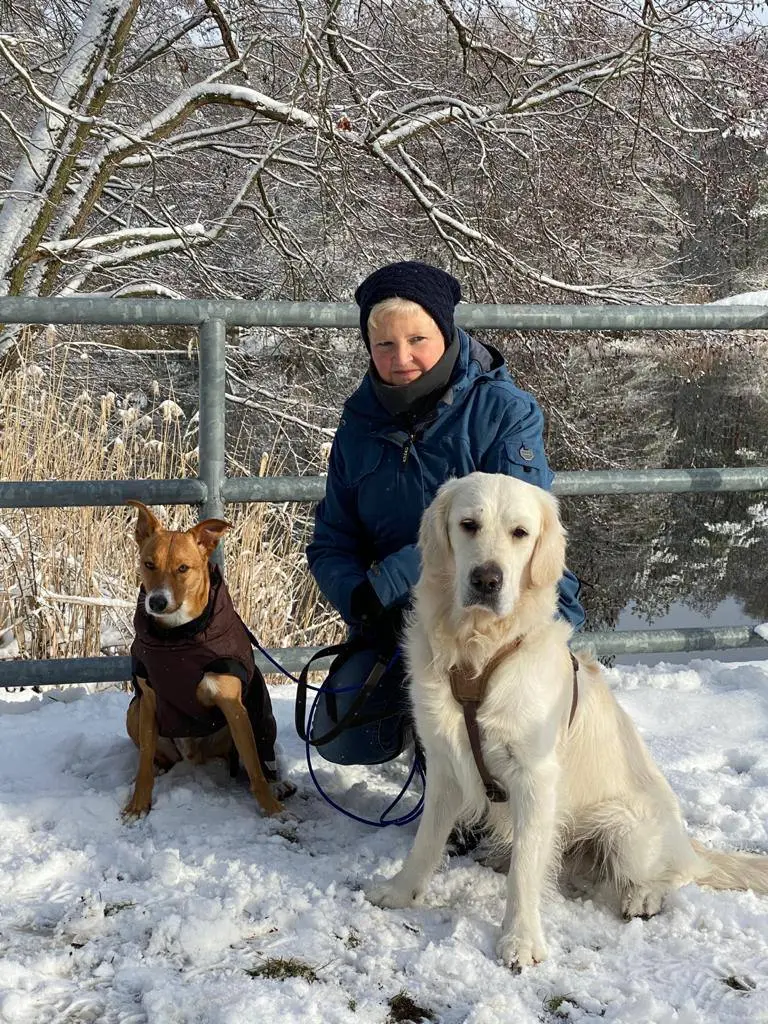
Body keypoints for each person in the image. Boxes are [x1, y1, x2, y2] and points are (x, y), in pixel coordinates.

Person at [305, 260, 584, 766]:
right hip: (406, 614)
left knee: (485, 771)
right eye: (385, 344)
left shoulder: (503, 411)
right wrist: (359, 597)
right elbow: (331, 540)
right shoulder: (357, 424)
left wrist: (389, 578)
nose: (402, 358)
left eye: (418, 339)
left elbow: (515, 530)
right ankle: (428, 735)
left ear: (447, 330)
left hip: (500, 603)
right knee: (346, 735)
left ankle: (476, 759)